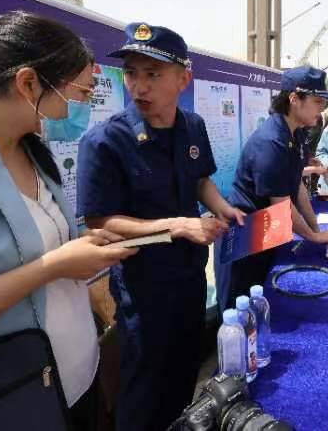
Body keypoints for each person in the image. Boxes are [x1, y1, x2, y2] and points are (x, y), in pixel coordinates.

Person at [0, 12, 137, 429]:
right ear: (28, 83)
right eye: (82, 92)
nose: (86, 107)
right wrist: (54, 266)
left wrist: (86, 244)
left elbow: (38, 241)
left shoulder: (29, 146)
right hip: (11, 404)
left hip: (77, 382)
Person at [77, 23, 242, 431]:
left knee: (184, 375)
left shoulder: (193, 126)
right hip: (144, 286)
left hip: (189, 277)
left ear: (183, 79)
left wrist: (224, 209)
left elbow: (200, 179)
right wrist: (177, 224)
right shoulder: (104, 141)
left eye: (153, 74)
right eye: (132, 73)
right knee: (145, 387)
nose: (140, 86)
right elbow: (100, 221)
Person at [217, 66, 328, 310]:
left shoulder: (296, 134)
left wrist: (316, 229)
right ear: (294, 99)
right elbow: (282, 206)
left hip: (267, 231)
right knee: (241, 315)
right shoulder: (271, 142)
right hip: (245, 239)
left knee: (265, 306)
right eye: (317, 101)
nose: (322, 109)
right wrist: (313, 236)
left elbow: (297, 186)